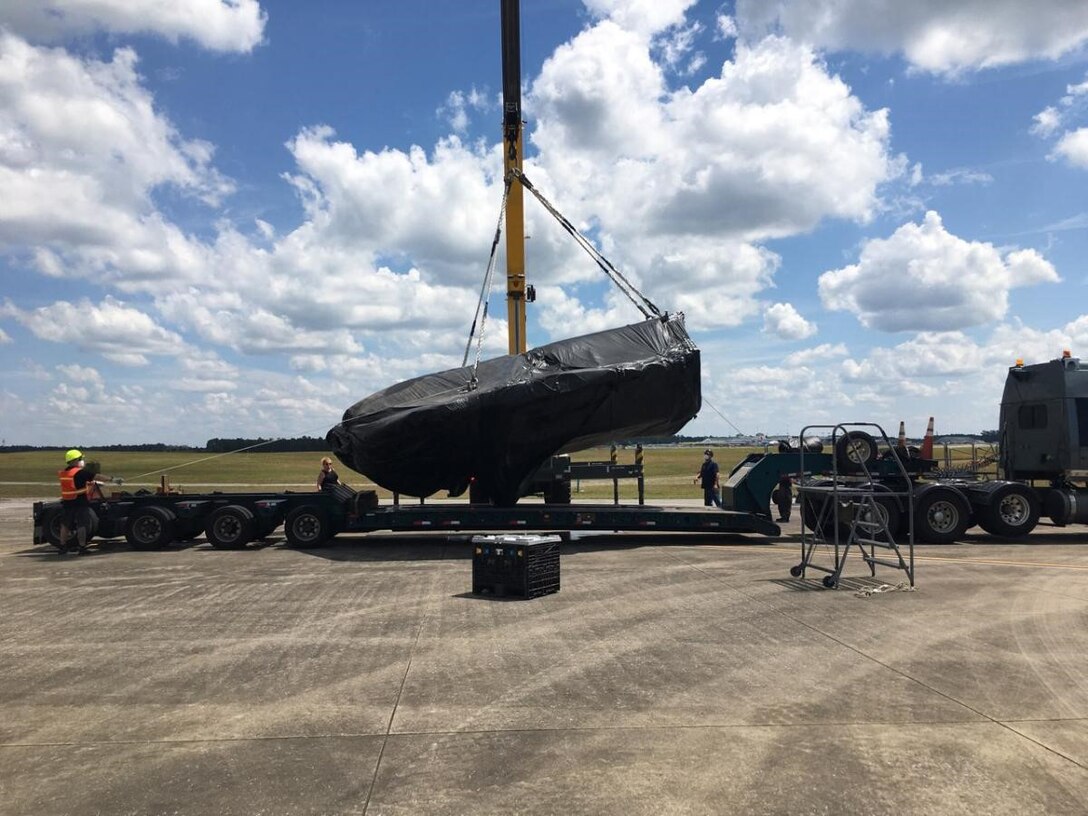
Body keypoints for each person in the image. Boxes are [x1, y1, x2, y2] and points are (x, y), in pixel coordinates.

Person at [57, 449, 120, 554]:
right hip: (80, 502)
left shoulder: (64, 473)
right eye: (81, 459)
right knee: (82, 525)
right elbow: (96, 476)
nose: (83, 461)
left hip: (67, 502)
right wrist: (113, 479)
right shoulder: (80, 472)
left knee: (65, 525)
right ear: (76, 460)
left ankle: (62, 547)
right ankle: (82, 547)